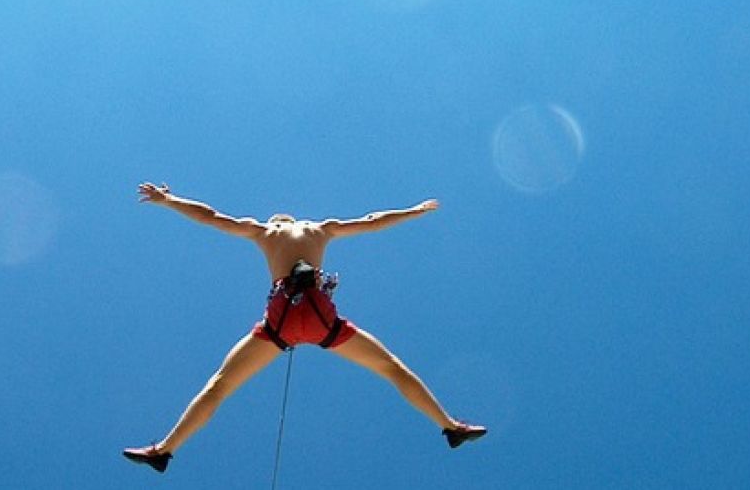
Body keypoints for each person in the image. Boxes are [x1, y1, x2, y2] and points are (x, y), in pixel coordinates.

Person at [123, 182, 485, 473]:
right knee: (389, 367)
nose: (278, 218)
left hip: (284, 318)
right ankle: (450, 426)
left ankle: (163, 450)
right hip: (314, 315)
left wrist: (168, 201)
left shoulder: (269, 231)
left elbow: (213, 217)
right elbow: (372, 220)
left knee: (220, 385)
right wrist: (170, 200)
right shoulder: (312, 229)